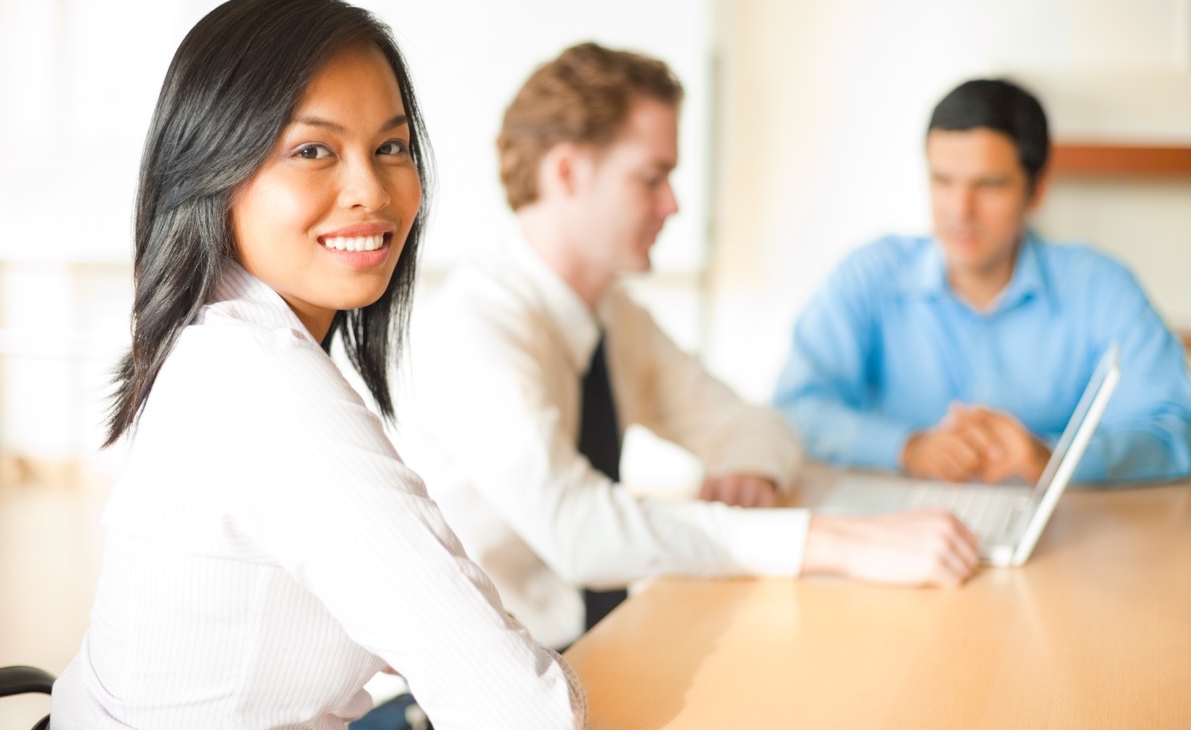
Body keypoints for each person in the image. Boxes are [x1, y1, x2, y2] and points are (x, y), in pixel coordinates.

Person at [50, 0, 584, 729]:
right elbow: (525, 710)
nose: (372, 190)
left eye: (391, 147)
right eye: (313, 151)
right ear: (214, 168)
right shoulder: (260, 385)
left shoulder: (221, 340)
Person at [395, 42, 979, 654]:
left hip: (592, 652)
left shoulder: (616, 318)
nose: (673, 204)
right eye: (653, 177)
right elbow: (580, 533)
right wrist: (839, 542)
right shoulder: (474, 329)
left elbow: (759, 426)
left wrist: (751, 469)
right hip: (489, 686)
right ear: (567, 172)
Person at [774, 78, 1191, 485]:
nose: (960, 210)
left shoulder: (1099, 287)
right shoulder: (869, 275)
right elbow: (793, 410)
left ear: (1038, 189)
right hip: (901, 533)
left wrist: (1054, 459)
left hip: (1065, 535)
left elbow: (1174, 430)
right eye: (942, 180)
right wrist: (907, 447)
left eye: (988, 185)